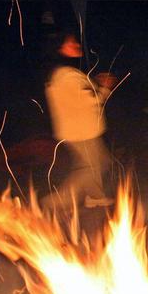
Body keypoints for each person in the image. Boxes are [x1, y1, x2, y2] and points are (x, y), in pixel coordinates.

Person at [41, 31, 117, 210]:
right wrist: (105, 88)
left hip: (81, 129)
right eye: (71, 43)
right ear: (59, 49)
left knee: (100, 162)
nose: (76, 44)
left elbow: (80, 92)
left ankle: (95, 196)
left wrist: (96, 83)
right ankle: (53, 203)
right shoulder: (66, 75)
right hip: (80, 132)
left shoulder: (64, 72)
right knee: (89, 170)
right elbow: (92, 100)